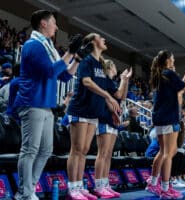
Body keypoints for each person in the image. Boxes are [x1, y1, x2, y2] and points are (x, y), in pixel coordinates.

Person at [13, 10, 83, 200]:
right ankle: (24, 193)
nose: (56, 26)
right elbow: (50, 71)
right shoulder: (33, 45)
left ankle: (30, 188)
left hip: (46, 105)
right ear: (43, 24)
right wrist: (69, 52)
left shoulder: (48, 47)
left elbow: (64, 75)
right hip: (32, 103)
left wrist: (76, 58)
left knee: (45, 150)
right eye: (53, 23)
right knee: (30, 150)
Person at [66, 33, 120, 200]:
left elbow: (114, 92)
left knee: (83, 151)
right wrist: (107, 96)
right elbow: (86, 82)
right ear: (92, 42)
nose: (104, 39)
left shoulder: (101, 65)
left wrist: (113, 110)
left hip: (93, 112)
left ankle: (79, 187)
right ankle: (72, 188)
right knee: (76, 150)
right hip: (80, 109)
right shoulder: (87, 60)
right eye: (100, 37)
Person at [145, 50, 185, 199]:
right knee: (168, 153)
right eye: (172, 58)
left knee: (163, 152)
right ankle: (166, 188)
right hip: (168, 117)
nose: (174, 60)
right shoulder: (169, 73)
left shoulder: (159, 75)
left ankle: (153, 182)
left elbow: (180, 91)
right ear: (168, 60)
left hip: (160, 118)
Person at [93, 59, 132, 199]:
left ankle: (105, 183)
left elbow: (123, 96)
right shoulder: (104, 80)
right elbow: (117, 96)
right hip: (104, 117)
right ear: (109, 67)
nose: (117, 68)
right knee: (102, 153)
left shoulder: (112, 83)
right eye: (115, 65)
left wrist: (125, 81)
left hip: (113, 120)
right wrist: (123, 79)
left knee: (108, 154)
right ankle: (98, 185)